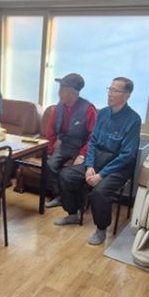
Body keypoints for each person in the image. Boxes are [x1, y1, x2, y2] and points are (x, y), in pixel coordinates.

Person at [54, 77, 141, 246]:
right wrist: (89, 166)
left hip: (118, 166)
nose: (110, 94)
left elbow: (127, 155)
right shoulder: (102, 113)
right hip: (98, 160)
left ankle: (101, 228)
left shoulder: (133, 119)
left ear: (127, 95)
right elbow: (93, 142)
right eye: (110, 89)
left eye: (115, 90)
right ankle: (73, 214)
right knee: (66, 175)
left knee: (99, 192)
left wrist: (101, 175)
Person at [44, 73, 97, 208]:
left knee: (72, 173)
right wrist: (50, 149)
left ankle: (77, 203)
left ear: (72, 93)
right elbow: (51, 130)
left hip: (82, 147)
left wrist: (83, 154)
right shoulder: (59, 107)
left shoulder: (88, 109)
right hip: (65, 145)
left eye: (62, 89)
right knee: (50, 165)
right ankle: (59, 196)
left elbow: (94, 137)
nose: (59, 92)